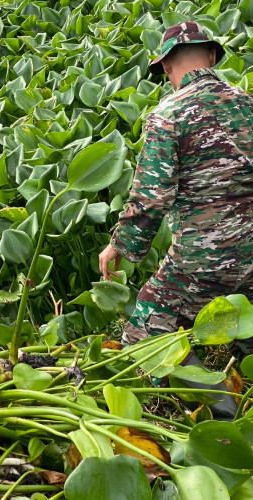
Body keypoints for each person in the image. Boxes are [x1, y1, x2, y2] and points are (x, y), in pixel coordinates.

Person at [98, 22, 252, 418]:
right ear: (213, 57)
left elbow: (152, 197)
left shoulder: (169, 113)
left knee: (144, 333)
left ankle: (224, 418)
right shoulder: (249, 104)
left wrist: (122, 245)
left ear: (166, 67)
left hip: (204, 259)